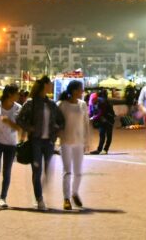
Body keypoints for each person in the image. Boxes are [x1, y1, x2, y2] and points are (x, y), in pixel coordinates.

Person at [17, 76, 64, 210]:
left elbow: (62, 121)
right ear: (44, 85)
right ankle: (39, 199)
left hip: (48, 142)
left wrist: (55, 132)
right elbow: (19, 119)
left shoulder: (51, 104)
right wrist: (30, 128)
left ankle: (38, 194)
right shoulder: (31, 103)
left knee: (47, 172)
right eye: (50, 84)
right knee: (37, 171)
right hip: (35, 142)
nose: (52, 86)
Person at [57, 80, 89, 210]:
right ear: (74, 90)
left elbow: (86, 123)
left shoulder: (83, 105)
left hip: (79, 142)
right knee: (67, 171)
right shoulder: (61, 105)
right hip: (65, 141)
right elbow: (57, 123)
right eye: (81, 89)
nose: (82, 92)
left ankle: (75, 193)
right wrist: (58, 137)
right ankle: (66, 198)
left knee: (78, 172)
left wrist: (86, 141)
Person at [90, 88, 115, 155]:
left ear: (96, 98)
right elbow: (92, 111)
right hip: (102, 120)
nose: (92, 102)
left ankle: (105, 149)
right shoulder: (95, 102)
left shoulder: (102, 102)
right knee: (102, 134)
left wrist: (94, 117)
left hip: (109, 120)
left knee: (108, 135)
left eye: (93, 100)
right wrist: (92, 116)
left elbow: (101, 112)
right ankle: (99, 149)